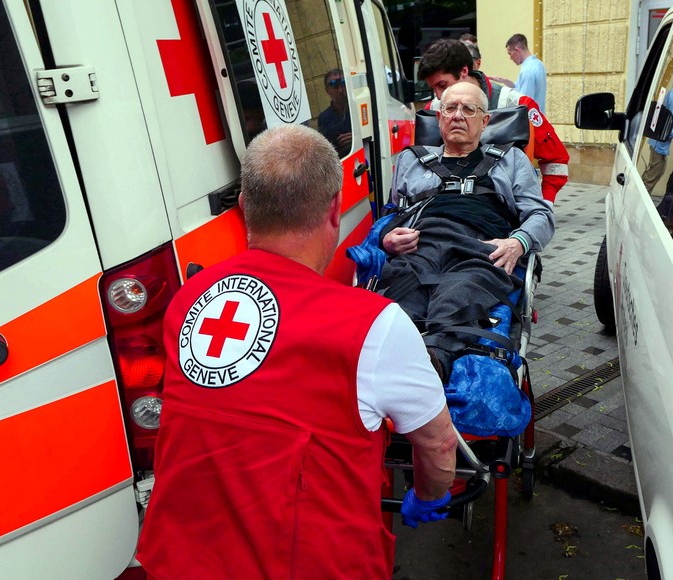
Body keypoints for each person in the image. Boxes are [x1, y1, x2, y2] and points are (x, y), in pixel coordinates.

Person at [136, 125, 458, 579]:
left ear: (245, 207)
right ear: (334, 209)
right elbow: (439, 443)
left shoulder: (191, 297)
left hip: (180, 556)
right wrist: (429, 494)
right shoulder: (373, 326)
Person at [380, 82, 554, 380]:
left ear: (484, 121)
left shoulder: (511, 160)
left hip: (481, 248)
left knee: (459, 293)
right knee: (402, 295)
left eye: (468, 109)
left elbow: (541, 215)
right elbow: (393, 214)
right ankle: (386, 361)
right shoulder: (411, 159)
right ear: (439, 118)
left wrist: (518, 243)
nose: (457, 115)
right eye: (450, 108)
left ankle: (434, 359)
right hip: (422, 244)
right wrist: (387, 239)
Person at [417, 39, 569, 204]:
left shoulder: (517, 104)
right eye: (434, 88)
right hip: (447, 207)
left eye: (442, 85)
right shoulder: (433, 109)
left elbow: (556, 161)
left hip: (505, 214)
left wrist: (541, 207)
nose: (439, 96)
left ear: (463, 71)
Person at [496, 34, 547, 111]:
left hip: (529, 120)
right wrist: (503, 80)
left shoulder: (527, 70)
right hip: (539, 118)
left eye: (510, 54)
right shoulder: (539, 64)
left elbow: (524, 102)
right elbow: (518, 86)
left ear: (517, 50)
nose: (510, 58)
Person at [317, 68, 352, 158]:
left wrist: (356, 138)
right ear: (327, 90)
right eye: (334, 85)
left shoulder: (358, 109)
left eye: (343, 84)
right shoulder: (324, 118)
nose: (340, 90)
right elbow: (325, 151)